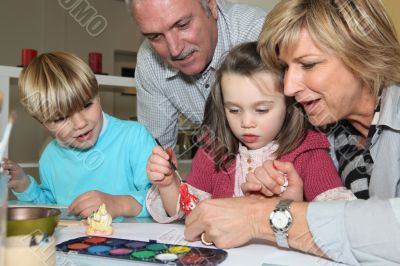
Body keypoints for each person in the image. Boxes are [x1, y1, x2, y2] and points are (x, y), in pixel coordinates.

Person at [184, 1, 400, 265]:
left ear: (364, 53)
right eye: (285, 68)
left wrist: (262, 216)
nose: (288, 87)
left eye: (308, 65)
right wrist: (294, 201)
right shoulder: (326, 129)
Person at [146, 42, 353, 223]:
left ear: (289, 105)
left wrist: (295, 208)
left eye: (261, 110)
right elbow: (189, 212)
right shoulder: (213, 151)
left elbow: (340, 215)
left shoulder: (309, 152)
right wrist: (169, 185)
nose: (246, 122)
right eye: (234, 110)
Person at [2, 52, 155, 218]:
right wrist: (24, 185)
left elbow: (161, 202)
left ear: (98, 93)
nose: (80, 124)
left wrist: (119, 204)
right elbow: (53, 207)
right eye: (61, 118)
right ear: (43, 123)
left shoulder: (134, 138)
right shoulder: (50, 157)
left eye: (87, 105)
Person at [127, 0, 267, 147]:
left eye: (182, 25)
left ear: (211, 5)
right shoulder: (150, 62)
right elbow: (157, 152)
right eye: (155, 36)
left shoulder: (260, 34)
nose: (175, 50)